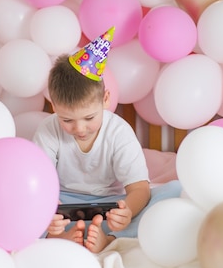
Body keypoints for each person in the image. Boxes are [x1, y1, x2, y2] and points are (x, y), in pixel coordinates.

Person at [32, 27, 181, 253]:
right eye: (67, 119)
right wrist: (48, 212)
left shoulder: (119, 132)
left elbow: (139, 187)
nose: (79, 128)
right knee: (20, 206)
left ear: (105, 99)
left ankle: (108, 237)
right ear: (54, 107)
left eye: (89, 118)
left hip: (110, 207)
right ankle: (60, 235)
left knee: (173, 194)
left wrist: (127, 212)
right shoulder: (48, 130)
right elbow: (38, 186)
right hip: (62, 204)